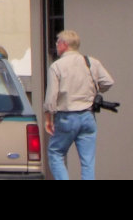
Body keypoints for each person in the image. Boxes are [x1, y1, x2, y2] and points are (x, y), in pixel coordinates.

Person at [44, 29, 115, 180]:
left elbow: (51, 98)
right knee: (88, 161)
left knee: (56, 153)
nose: (56, 46)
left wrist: (48, 118)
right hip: (88, 116)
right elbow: (108, 82)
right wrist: (96, 89)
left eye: (57, 43)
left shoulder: (57, 66)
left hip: (66, 117)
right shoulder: (91, 62)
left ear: (64, 44)